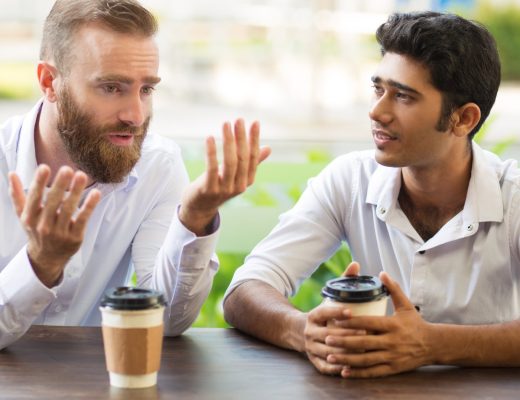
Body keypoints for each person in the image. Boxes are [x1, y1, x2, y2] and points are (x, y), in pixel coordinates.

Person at [223, 11, 520, 378]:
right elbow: (244, 290)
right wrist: (305, 332)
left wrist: (431, 344)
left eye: (404, 97)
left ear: (463, 119)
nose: (377, 111)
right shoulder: (350, 179)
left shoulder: (515, 198)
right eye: (379, 89)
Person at [0, 0, 270, 350]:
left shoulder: (157, 164)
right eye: (112, 87)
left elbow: (167, 320)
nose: (136, 115)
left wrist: (195, 217)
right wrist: (41, 262)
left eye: (146, 89)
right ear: (49, 82)